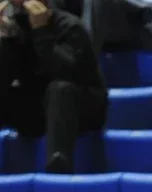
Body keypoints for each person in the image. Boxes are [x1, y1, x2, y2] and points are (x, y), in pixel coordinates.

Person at [0, 0, 107, 173]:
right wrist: (5, 40)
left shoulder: (69, 26)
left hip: (81, 110)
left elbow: (65, 73)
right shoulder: (16, 31)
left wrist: (41, 33)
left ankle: (59, 166)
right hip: (40, 110)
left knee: (59, 90)